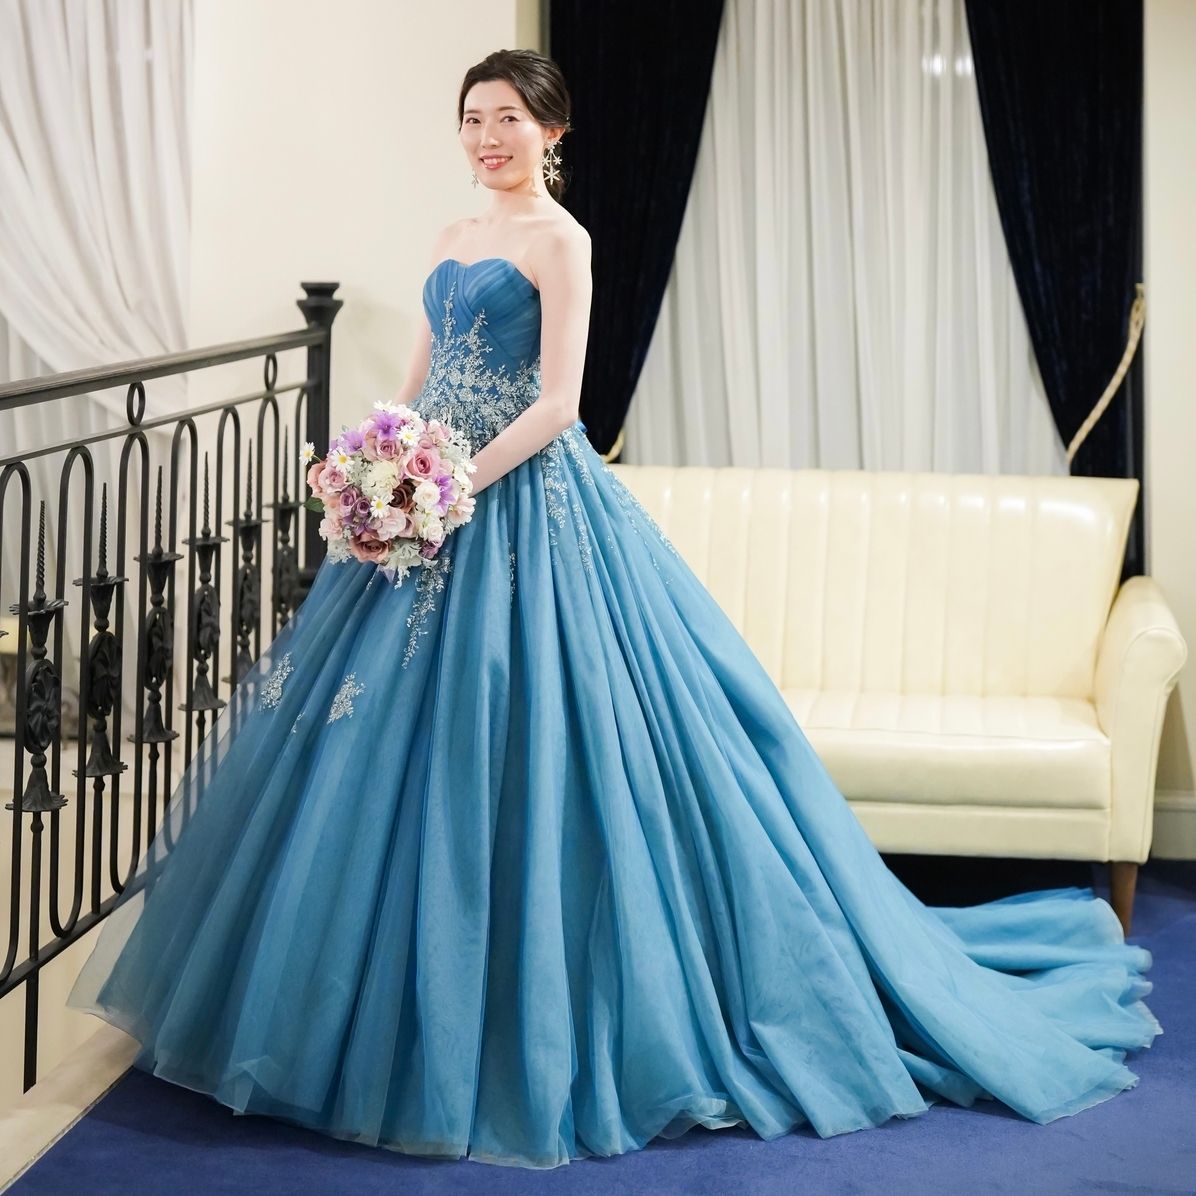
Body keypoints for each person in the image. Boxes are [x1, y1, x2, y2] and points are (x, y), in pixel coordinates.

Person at [67, 48, 1160, 1171]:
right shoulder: (451, 235)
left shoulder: (562, 240)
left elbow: (557, 404)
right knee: (363, 746)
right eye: (472, 119)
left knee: (535, 732)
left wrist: (449, 486)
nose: (487, 137)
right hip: (424, 501)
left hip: (517, 502)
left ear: (552, 131)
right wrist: (369, 465)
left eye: (508, 119)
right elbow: (419, 379)